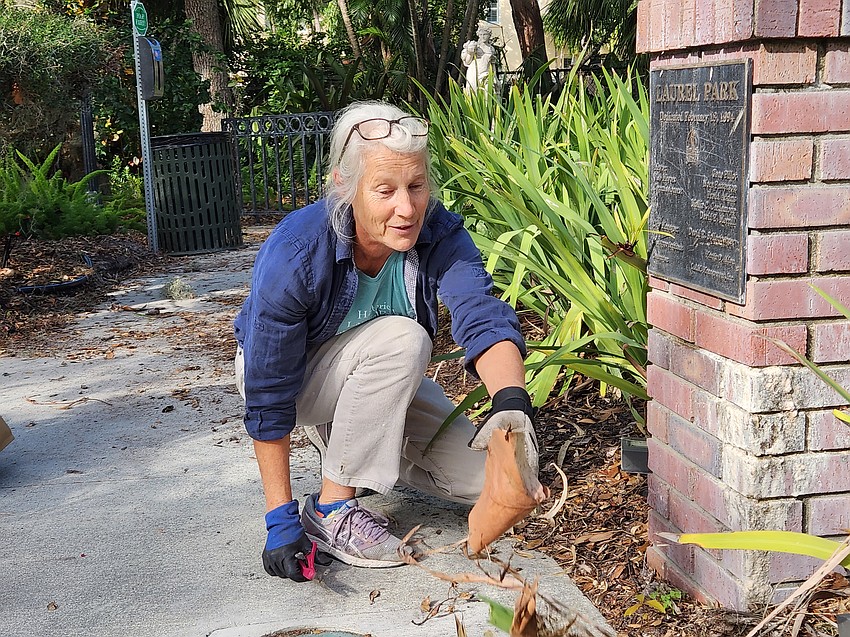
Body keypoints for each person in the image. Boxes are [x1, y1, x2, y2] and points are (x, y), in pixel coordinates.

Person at [234, 100, 538, 582]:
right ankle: (331, 510)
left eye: (416, 186)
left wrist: (511, 404)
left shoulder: (438, 234)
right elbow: (268, 392)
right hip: (295, 382)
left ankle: (350, 451)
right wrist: (279, 517)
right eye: (385, 190)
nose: (407, 207)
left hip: (376, 377)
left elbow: (481, 315)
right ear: (345, 185)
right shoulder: (296, 250)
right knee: (405, 338)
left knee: (489, 479)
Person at [461, 25, 496, 91]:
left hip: (486, 73)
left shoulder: (491, 49)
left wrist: (495, 77)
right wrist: (470, 53)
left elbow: (493, 64)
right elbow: (467, 62)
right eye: (481, 34)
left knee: (487, 92)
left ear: (489, 35)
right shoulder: (475, 46)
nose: (483, 36)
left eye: (485, 34)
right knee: (474, 93)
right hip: (474, 72)